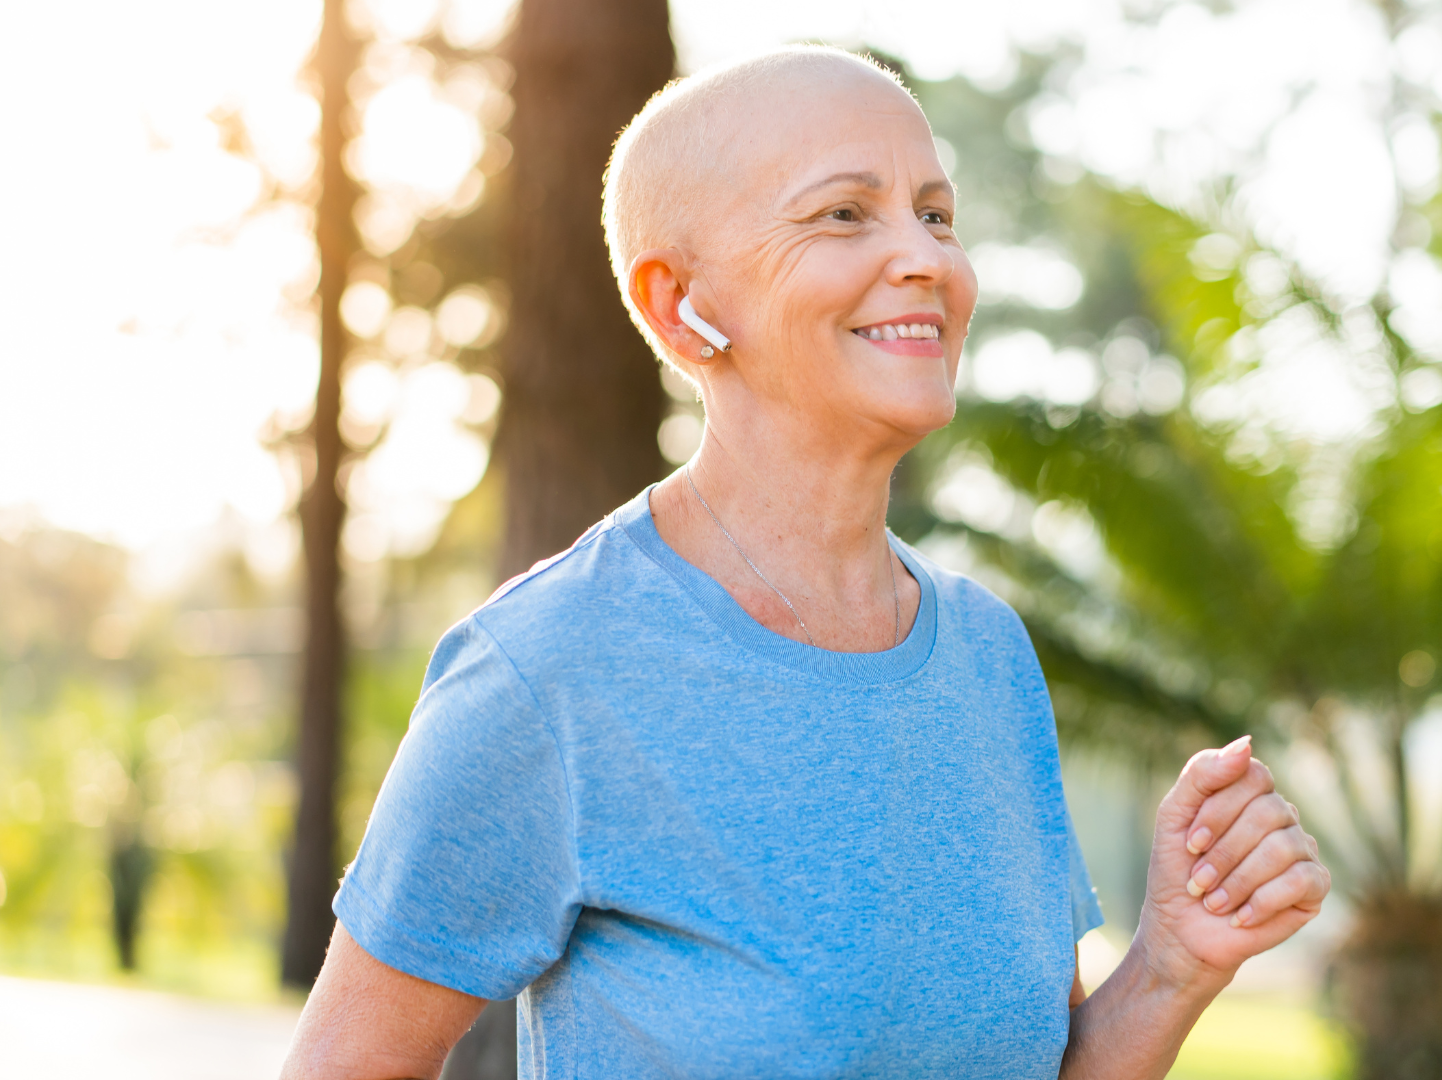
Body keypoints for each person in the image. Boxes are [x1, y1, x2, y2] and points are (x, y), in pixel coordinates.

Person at [280, 45, 1329, 1080]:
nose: (927, 257)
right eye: (843, 213)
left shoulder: (986, 656)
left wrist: (1171, 967)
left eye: (936, 212)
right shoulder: (549, 668)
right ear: (679, 304)